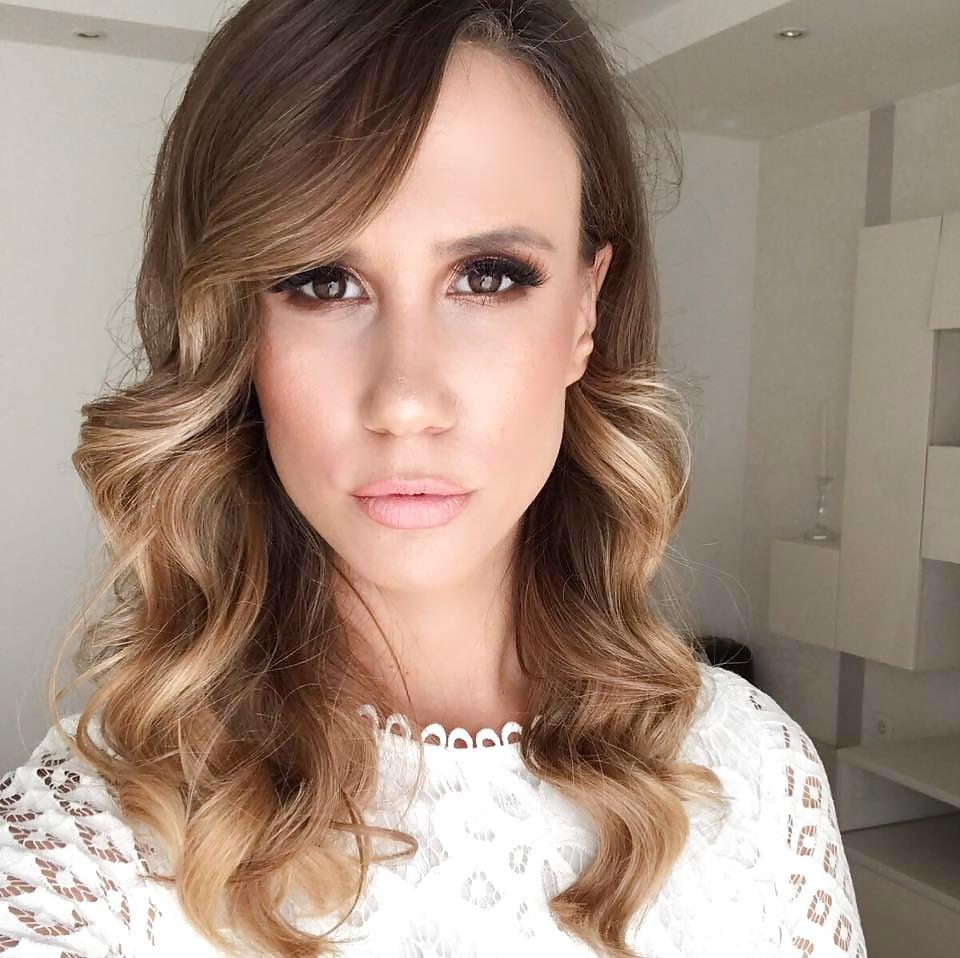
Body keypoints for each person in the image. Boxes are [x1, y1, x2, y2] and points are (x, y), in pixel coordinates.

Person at [0, 1, 867, 956]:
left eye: (488, 276)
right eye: (322, 280)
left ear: (586, 311)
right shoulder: (90, 846)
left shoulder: (757, 772)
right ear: (232, 330)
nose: (406, 399)